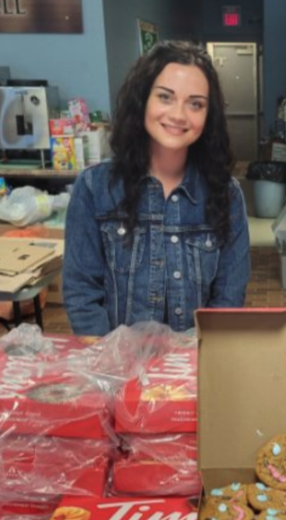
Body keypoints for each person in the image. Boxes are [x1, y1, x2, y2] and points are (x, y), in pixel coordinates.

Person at [63, 40, 250, 336]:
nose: (178, 115)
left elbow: (228, 300)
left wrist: (189, 364)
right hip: (117, 371)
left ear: (208, 115)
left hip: (192, 368)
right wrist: (111, 366)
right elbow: (82, 294)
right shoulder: (94, 188)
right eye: (165, 97)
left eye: (195, 104)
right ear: (143, 100)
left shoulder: (227, 195)